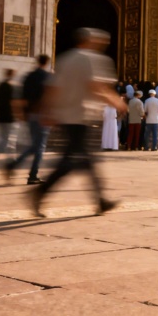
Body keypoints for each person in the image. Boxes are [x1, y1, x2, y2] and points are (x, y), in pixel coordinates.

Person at [31, 28, 126, 217]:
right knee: (75, 161)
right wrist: (117, 102)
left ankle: (100, 200)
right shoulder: (91, 59)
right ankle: (41, 192)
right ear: (89, 41)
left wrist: (47, 110)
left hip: (66, 117)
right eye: (100, 40)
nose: (103, 44)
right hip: (80, 116)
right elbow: (96, 86)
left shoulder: (65, 59)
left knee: (82, 160)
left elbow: (53, 87)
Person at [6, 55, 51, 185]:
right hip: (42, 114)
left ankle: (14, 165)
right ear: (46, 63)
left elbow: (22, 97)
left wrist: (22, 114)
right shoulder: (47, 77)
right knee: (39, 147)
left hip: (31, 115)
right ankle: (32, 175)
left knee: (35, 145)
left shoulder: (28, 76)